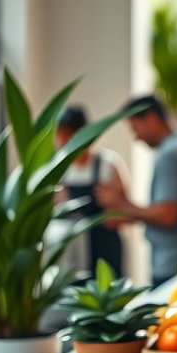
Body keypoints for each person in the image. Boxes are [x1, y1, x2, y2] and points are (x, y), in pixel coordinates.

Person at [95, 96, 177, 287]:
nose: (135, 137)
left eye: (135, 128)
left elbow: (168, 215)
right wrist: (127, 214)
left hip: (173, 265)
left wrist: (123, 205)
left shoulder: (170, 154)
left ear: (151, 119)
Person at [54, 106, 129, 277]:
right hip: (72, 256)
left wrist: (113, 211)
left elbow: (126, 214)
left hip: (104, 252)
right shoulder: (57, 170)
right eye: (59, 136)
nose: (61, 142)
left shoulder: (108, 165)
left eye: (67, 135)